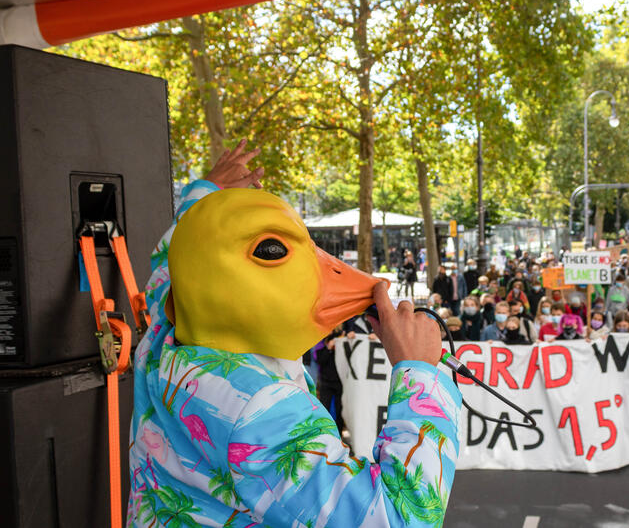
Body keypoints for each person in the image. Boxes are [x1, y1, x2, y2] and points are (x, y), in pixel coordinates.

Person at [128, 141, 461, 527]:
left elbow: (173, 256)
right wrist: (419, 375)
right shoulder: (261, 411)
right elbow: (399, 518)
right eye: (272, 251)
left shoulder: (165, 325)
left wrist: (205, 192)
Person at [316, 327, 346, 433]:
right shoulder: (320, 344)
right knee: (324, 408)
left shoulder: (341, 339)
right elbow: (320, 360)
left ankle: (339, 434)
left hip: (340, 381)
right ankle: (324, 432)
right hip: (326, 381)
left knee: (340, 410)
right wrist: (328, 348)